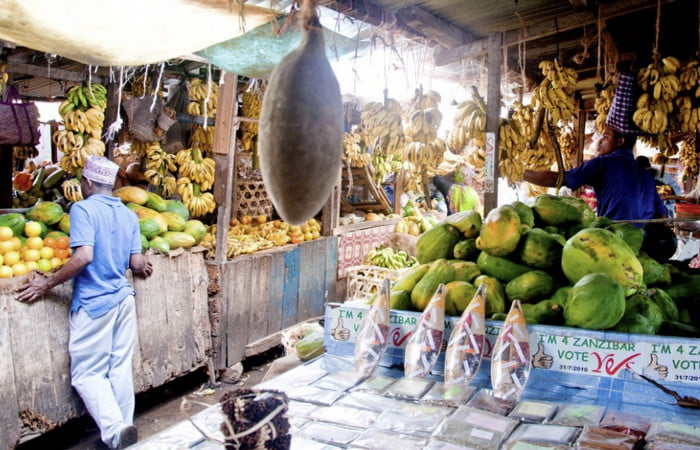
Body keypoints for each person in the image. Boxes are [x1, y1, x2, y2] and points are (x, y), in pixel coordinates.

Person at [16, 156, 153, 450]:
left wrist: (47, 282)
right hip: (123, 299)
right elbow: (137, 261)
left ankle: (116, 430)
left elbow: (83, 257)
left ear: (88, 182)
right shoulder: (128, 214)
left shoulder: (82, 210)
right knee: (118, 368)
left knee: (87, 374)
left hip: (95, 302)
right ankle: (123, 430)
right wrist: (143, 266)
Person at [523, 124, 667, 221]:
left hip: (614, 238)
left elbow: (558, 179)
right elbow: (663, 214)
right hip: (642, 242)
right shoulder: (645, 174)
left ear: (620, 141)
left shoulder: (603, 163)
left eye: (606, 137)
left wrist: (521, 174)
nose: (599, 142)